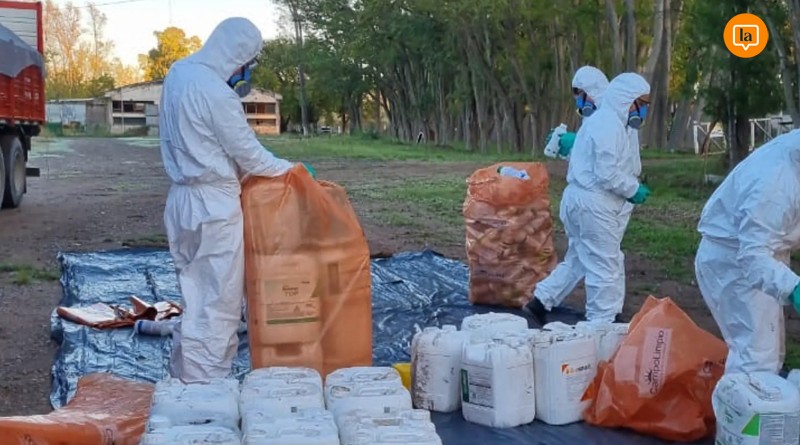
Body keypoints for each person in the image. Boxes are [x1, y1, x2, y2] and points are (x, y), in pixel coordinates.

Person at [159, 17, 313, 383]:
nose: (246, 73)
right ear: (237, 56)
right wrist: (293, 170)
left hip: (181, 201)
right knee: (218, 307)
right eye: (248, 64)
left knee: (195, 300)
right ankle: (205, 394)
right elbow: (250, 155)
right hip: (214, 208)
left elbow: (209, 144)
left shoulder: (178, 74)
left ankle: (182, 384)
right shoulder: (216, 92)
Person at [523, 72, 651, 325]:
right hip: (598, 203)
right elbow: (607, 173)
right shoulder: (609, 123)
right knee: (605, 265)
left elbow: (593, 162)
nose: (644, 110)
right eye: (642, 103)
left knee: (580, 257)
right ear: (627, 99)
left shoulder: (608, 121)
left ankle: (541, 300)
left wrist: (573, 145)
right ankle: (601, 324)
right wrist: (633, 189)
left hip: (582, 200)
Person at [695, 130, 800, 375]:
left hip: (765, 254)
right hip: (733, 264)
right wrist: (793, 287)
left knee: (770, 351)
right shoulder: (775, 185)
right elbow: (753, 256)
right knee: (755, 358)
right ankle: (742, 398)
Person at [543, 65, 609, 160]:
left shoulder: (612, 117)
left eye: (581, 92)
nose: (578, 98)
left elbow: (607, 154)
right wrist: (568, 150)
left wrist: (577, 142)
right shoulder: (589, 119)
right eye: (576, 92)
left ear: (595, 92)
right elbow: (586, 161)